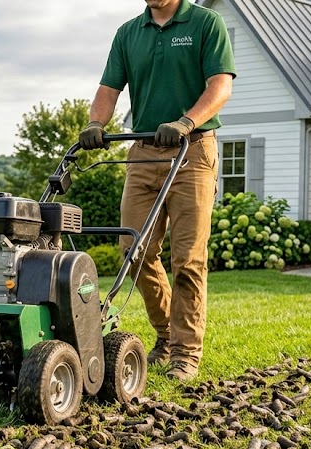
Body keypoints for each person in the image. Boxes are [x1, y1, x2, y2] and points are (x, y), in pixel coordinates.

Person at [78, 0, 235, 382]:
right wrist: (96, 123)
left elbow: (220, 86)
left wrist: (186, 121)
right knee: (134, 251)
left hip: (192, 149)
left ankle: (185, 354)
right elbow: (108, 89)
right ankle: (166, 334)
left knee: (188, 259)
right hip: (143, 151)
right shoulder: (128, 33)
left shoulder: (206, 23)